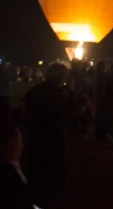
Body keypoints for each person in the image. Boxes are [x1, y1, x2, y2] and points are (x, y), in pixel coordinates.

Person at [23, 63, 74, 207]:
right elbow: (70, 116)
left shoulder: (33, 92)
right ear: (60, 77)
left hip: (35, 139)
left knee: (37, 173)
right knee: (51, 175)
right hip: (54, 140)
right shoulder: (59, 95)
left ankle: (36, 202)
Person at [0, 123, 33, 209]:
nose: (22, 146)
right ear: (10, 144)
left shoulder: (14, 166)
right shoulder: (6, 173)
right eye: (19, 142)